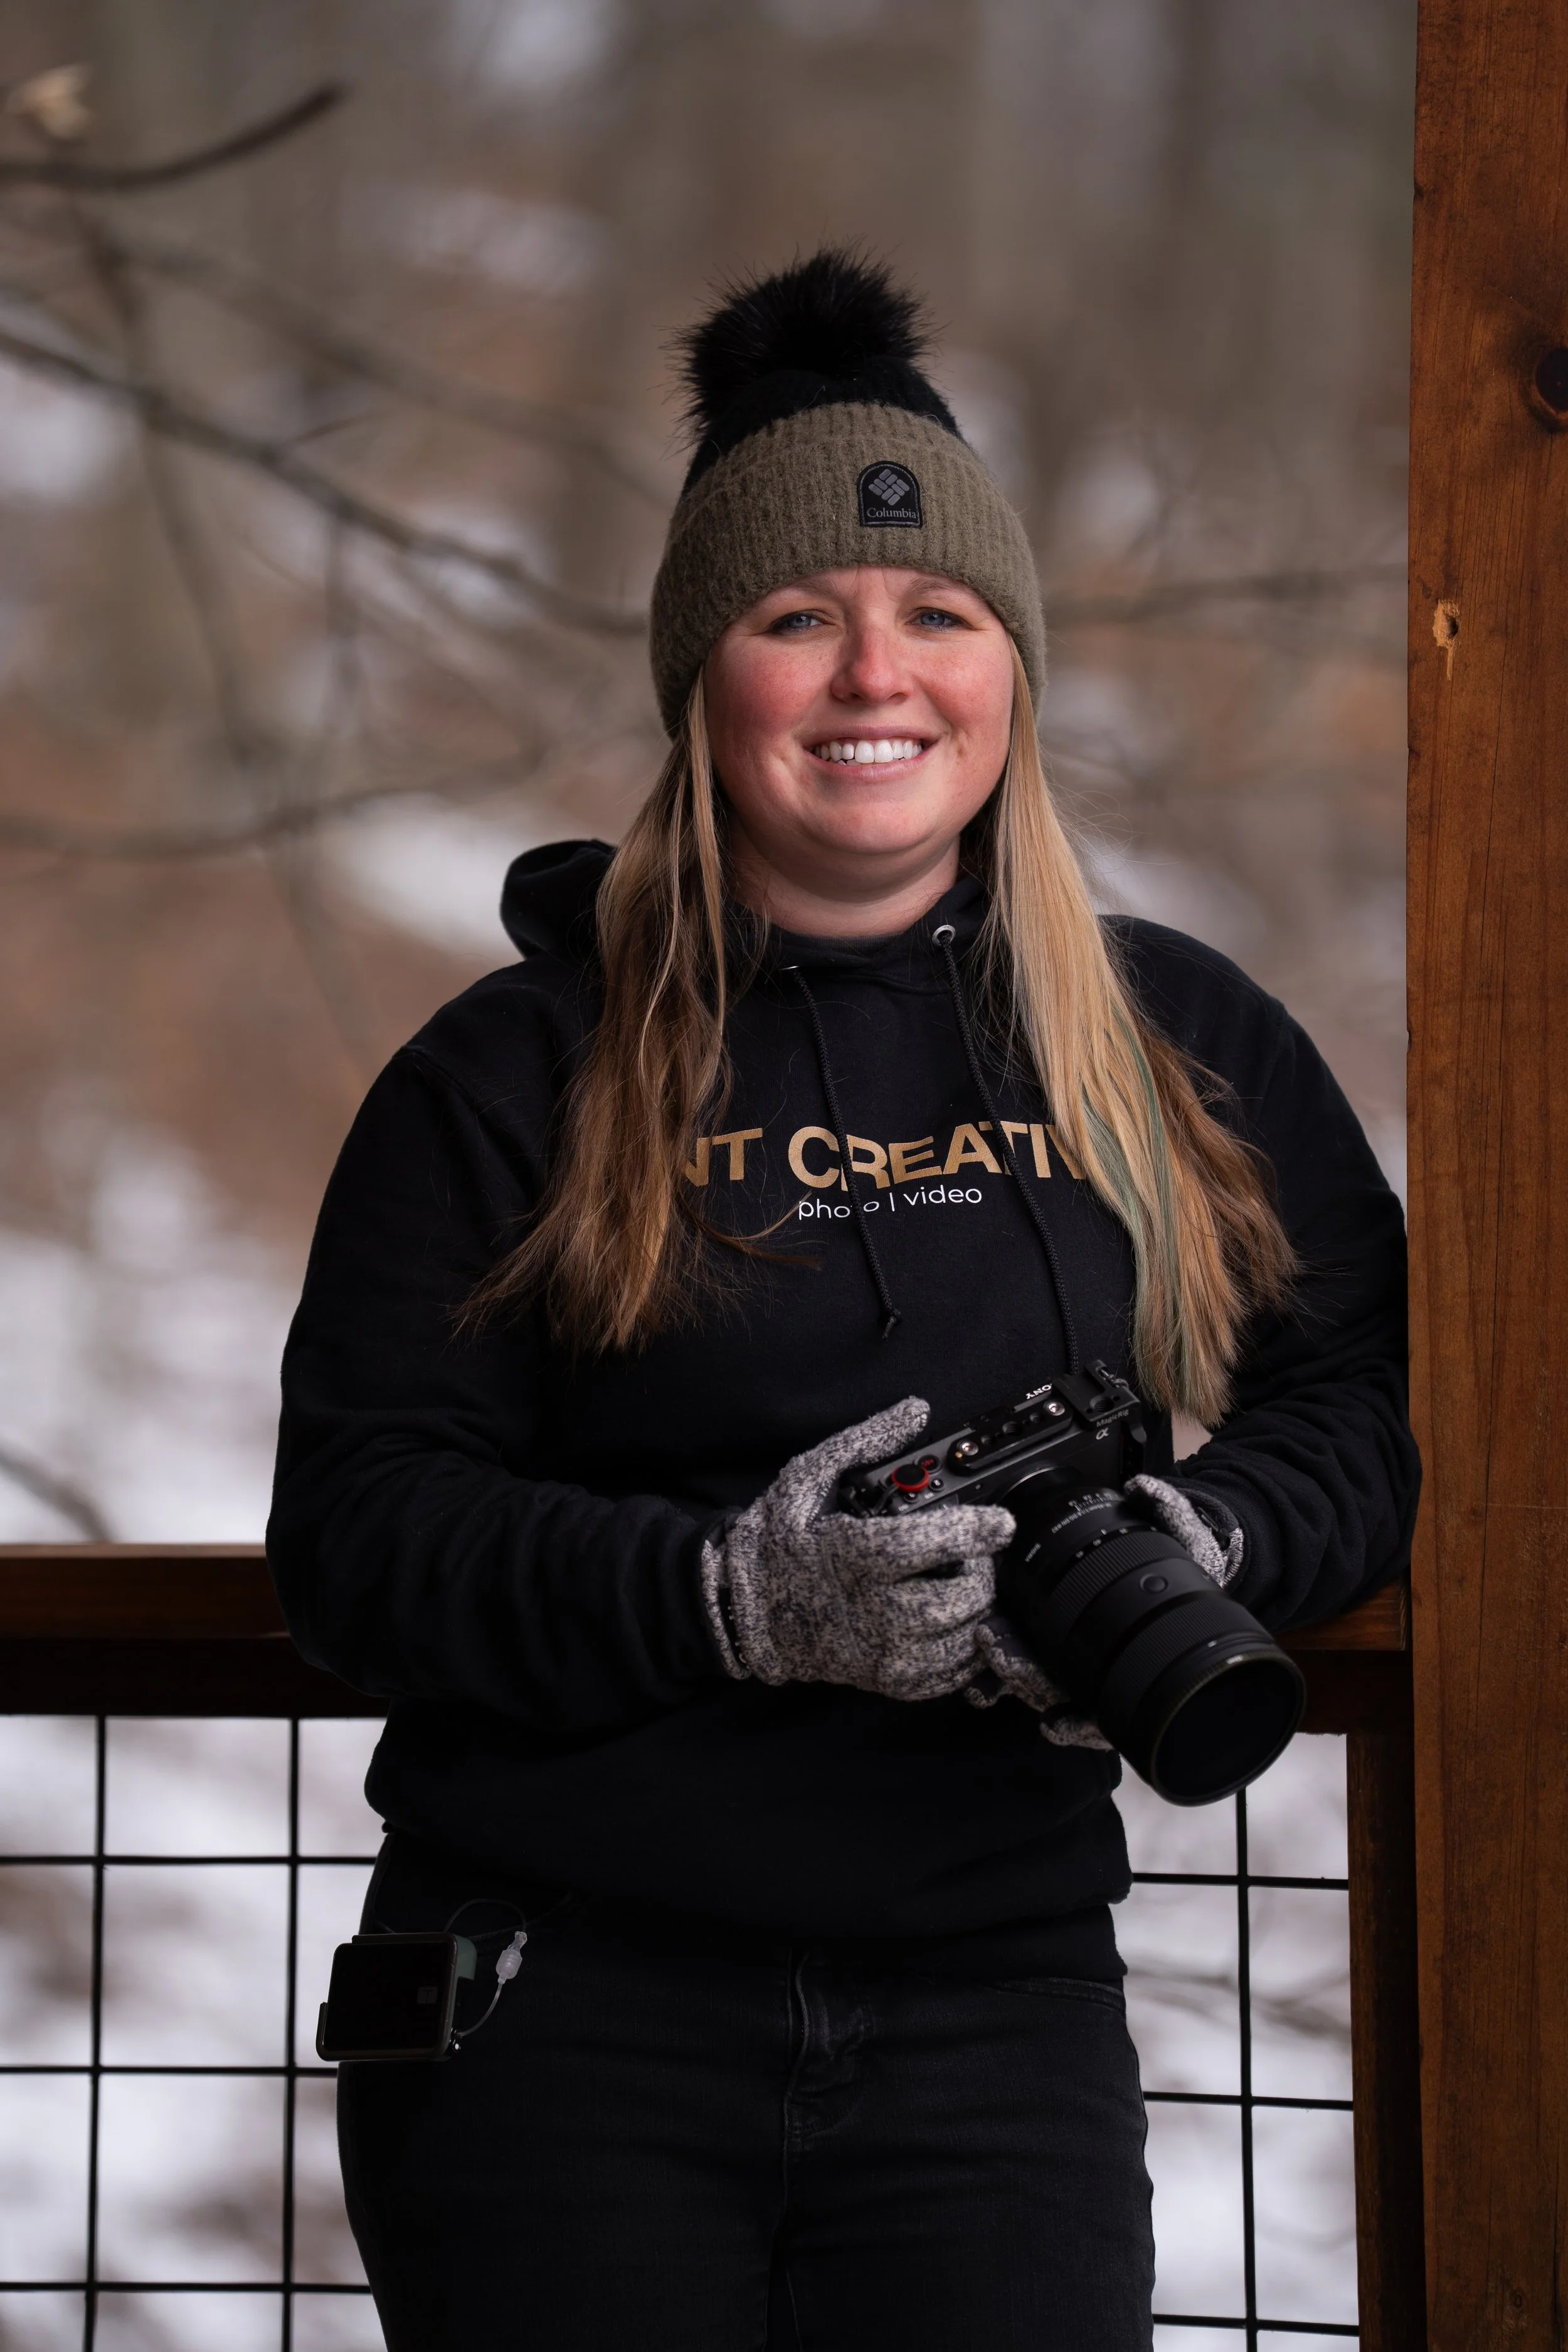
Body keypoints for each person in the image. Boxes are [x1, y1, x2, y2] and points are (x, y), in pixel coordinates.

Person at [268, 250, 1419, 2352]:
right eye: (796, 616)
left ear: (1011, 669)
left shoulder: (1175, 1042)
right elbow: (355, 1537)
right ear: (703, 675)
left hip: (999, 2021)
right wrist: (730, 1595)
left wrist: (1215, 1533)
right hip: (559, 2011)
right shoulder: (510, 1072)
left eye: (938, 615)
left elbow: (1370, 1394)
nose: (869, 673)